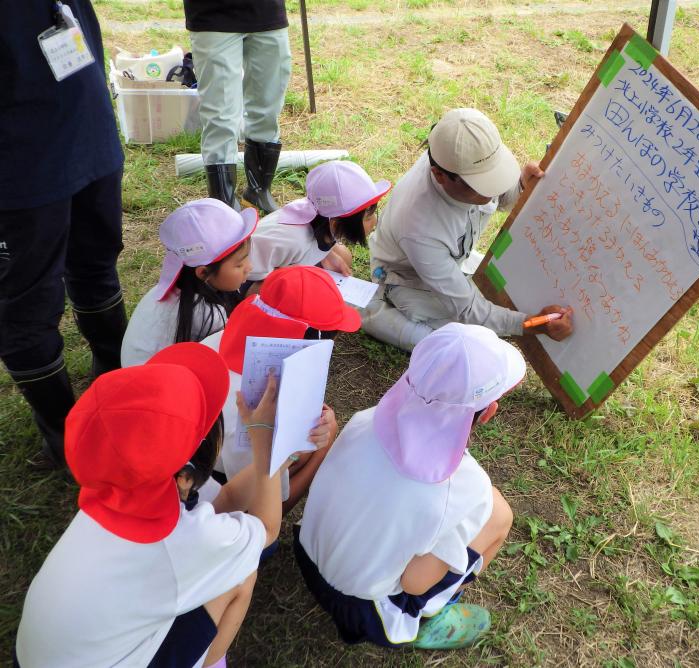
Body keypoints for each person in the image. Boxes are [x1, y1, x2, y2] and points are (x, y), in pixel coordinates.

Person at [15, 342, 284, 667]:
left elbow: (223, 499)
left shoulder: (120, 486)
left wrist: (273, 458)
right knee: (241, 576)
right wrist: (267, 445)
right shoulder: (182, 539)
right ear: (188, 468)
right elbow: (266, 530)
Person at [294, 323, 523, 650]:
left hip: (307, 554)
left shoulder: (366, 419)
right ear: (488, 413)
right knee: (499, 515)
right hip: (362, 609)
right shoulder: (463, 487)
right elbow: (415, 584)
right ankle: (433, 616)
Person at [1, 1, 128, 468]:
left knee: (96, 262)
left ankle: (114, 374)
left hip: (88, 135)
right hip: (22, 165)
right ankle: (66, 438)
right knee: (27, 307)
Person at [361, 107, 574, 351]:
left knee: (498, 292)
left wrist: (521, 185)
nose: (491, 191)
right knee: (464, 340)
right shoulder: (420, 227)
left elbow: (500, 198)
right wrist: (532, 324)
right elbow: (468, 308)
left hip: (451, 260)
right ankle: (377, 309)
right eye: (480, 185)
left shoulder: (467, 152)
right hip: (408, 278)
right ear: (439, 176)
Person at [202, 265, 361, 512]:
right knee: (325, 436)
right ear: (310, 339)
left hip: (199, 463)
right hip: (220, 494)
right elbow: (259, 504)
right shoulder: (262, 406)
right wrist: (296, 452)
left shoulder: (221, 338)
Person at [121, 198, 256, 367]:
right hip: (155, 386)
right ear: (203, 272)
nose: (249, 267)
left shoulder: (169, 289)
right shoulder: (208, 314)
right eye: (239, 264)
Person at [184, 0, 291, 212]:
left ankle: (259, 190)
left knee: (268, 107)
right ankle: (223, 202)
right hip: (213, 16)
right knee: (221, 115)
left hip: (267, 12)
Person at [246, 160, 391, 290]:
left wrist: (327, 255)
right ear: (335, 223)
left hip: (286, 263)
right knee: (302, 289)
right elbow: (245, 272)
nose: (375, 221)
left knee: (342, 255)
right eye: (368, 217)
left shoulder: (322, 217)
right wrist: (304, 277)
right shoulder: (294, 241)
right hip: (247, 279)